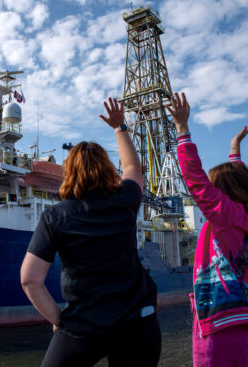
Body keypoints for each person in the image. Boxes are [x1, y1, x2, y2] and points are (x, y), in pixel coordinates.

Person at [20, 98, 161, 367]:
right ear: (107, 169)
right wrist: (120, 127)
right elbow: (133, 168)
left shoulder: (55, 216)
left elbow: (30, 280)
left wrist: (58, 320)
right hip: (137, 323)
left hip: (83, 326)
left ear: (68, 173)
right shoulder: (126, 200)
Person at [166, 92, 248, 367]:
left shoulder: (226, 217)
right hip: (245, 320)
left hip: (219, 323)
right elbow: (236, 180)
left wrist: (182, 131)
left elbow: (197, 182)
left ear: (225, 194)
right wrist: (234, 149)